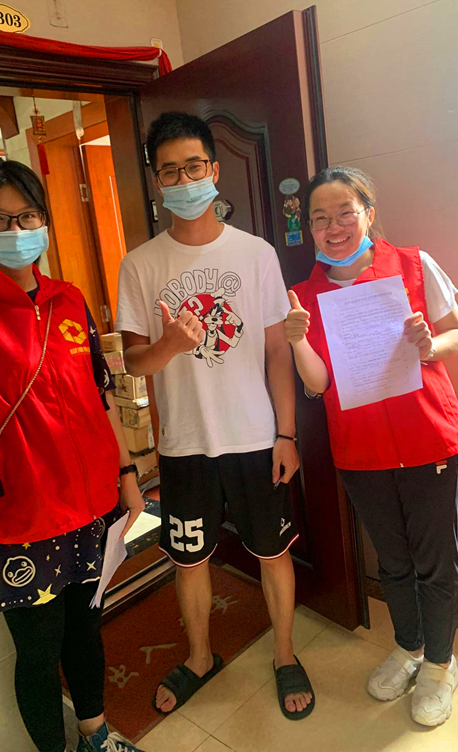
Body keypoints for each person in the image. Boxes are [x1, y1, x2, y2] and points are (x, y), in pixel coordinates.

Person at [0, 159, 146, 752]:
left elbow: (99, 393)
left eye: (28, 217)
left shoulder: (69, 298)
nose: (16, 231)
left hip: (93, 507)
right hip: (23, 522)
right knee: (39, 655)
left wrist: (127, 474)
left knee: (86, 632)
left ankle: (96, 734)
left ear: (45, 220)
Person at [116, 112, 315, 720]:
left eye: (193, 166)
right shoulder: (140, 264)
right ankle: (200, 656)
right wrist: (170, 345)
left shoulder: (255, 254)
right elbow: (133, 361)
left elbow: (277, 352)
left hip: (256, 437)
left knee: (273, 552)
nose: (184, 180)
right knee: (189, 559)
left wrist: (286, 433)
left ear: (215, 169)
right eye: (170, 171)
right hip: (184, 444)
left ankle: (284, 653)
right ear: (156, 181)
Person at [285, 166, 458, 727]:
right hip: (361, 453)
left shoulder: (413, 264)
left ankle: (440, 664)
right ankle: (410, 648)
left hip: (430, 440)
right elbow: (318, 383)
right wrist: (297, 342)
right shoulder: (306, 295)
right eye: (320, 218)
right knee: (392, 563)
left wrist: (430, 345)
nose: (334, 227)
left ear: (368, 212)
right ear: (310, 228)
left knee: (435, 565)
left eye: (345, 212)